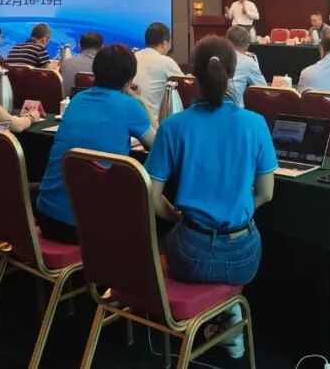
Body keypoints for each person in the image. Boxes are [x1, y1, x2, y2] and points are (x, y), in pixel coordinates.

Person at [145, 36, 276, 360]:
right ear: (232, 72)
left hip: (188, 254)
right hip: (243, 256)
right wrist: (238, 208)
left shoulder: (172, 127)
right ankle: (226, 315)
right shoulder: (255, 123)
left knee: (168, 240)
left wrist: (174, 216)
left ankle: (217, 318)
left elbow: (150, 195)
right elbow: (266, 193)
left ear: (193, 75)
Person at [37, 43, 155, 243]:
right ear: (129, 77)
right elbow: (157, 146)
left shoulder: (77, 100)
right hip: (91, 227)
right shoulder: (130, 106)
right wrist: (139, 101)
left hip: (46, 217)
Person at [133, 22, 183, 118]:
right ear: (164, 43)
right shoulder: (165, 61)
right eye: (170, 43)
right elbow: (186, 85)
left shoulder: (133, 57)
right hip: (152, 121)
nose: (169, 47)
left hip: (130, 118)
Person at [226, 27, 265, 108]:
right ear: (247, 45)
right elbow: (263, 89)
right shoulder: (248, 61)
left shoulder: (213, 55)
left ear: (226, 41)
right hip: (232, 109)